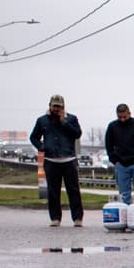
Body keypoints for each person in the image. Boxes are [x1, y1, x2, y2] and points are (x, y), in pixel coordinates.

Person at [29, 94, 84, 227]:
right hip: (51, 160)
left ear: (63, 107)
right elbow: (33, 137)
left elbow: (77, 133)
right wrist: (42, 147)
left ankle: (77, 218)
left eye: (59, 107)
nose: (56, 109)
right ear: (50, 106)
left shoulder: (71, 119)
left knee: (73, 190)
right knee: (53, 191)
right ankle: (55, 218)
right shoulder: (42, 120)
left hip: (69, 159)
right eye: (54, 106)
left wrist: (64, 121)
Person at [104, 104, 134, 206]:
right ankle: (125, 215)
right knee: (123, 194)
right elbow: (108, 145)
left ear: (129, 114)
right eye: (119, 117)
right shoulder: (112, 126)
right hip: (121, 164)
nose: (122, 120)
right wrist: (114, 160)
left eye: (124, 117)